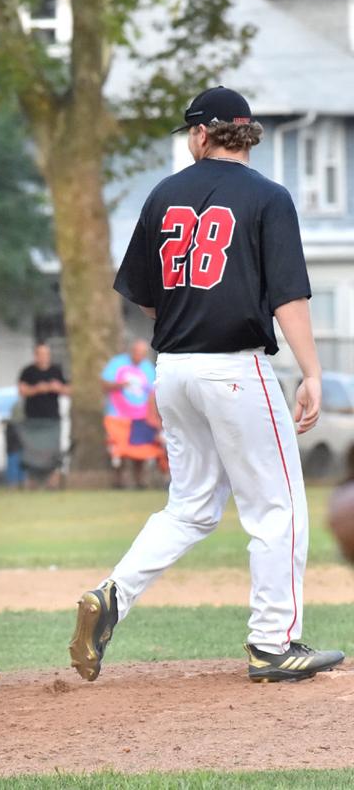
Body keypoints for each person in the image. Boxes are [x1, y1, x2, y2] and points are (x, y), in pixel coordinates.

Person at [69, 86, 345, 683]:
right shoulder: (269, 196)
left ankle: (112, 593)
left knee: (191, 506)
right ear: (247, 134)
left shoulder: (163, 194)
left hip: (173, 370)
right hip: (236, 369)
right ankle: (273, 643)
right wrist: (312, 371)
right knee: (278, 506)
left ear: (201, 134)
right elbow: (289, 296)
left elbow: (146, 299)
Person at [101, 338, 163, 489]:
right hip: (118, 415)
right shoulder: (117, 363)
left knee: (140, 450)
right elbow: (104, 384)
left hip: (141, 417)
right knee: (118, 450)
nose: (138, 356)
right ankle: (118, 481)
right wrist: (119, 385)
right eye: (136, 352)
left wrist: (153, 416)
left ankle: (140, 481)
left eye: (142, 353)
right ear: (131, 351)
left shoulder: (148, 368)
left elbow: (152, 394)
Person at [17, 342, 70, 489]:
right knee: (32, 452)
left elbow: (68, 390)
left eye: (46, 354)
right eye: (40, 354)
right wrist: (37, 389)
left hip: (52, 419)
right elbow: (22, 390)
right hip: (33, 420)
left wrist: (57, 388)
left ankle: (52, 483)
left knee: (53, 452)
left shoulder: (56, 371)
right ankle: (32, 483)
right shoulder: (28, 372)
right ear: (35, 355)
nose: (44, 357)